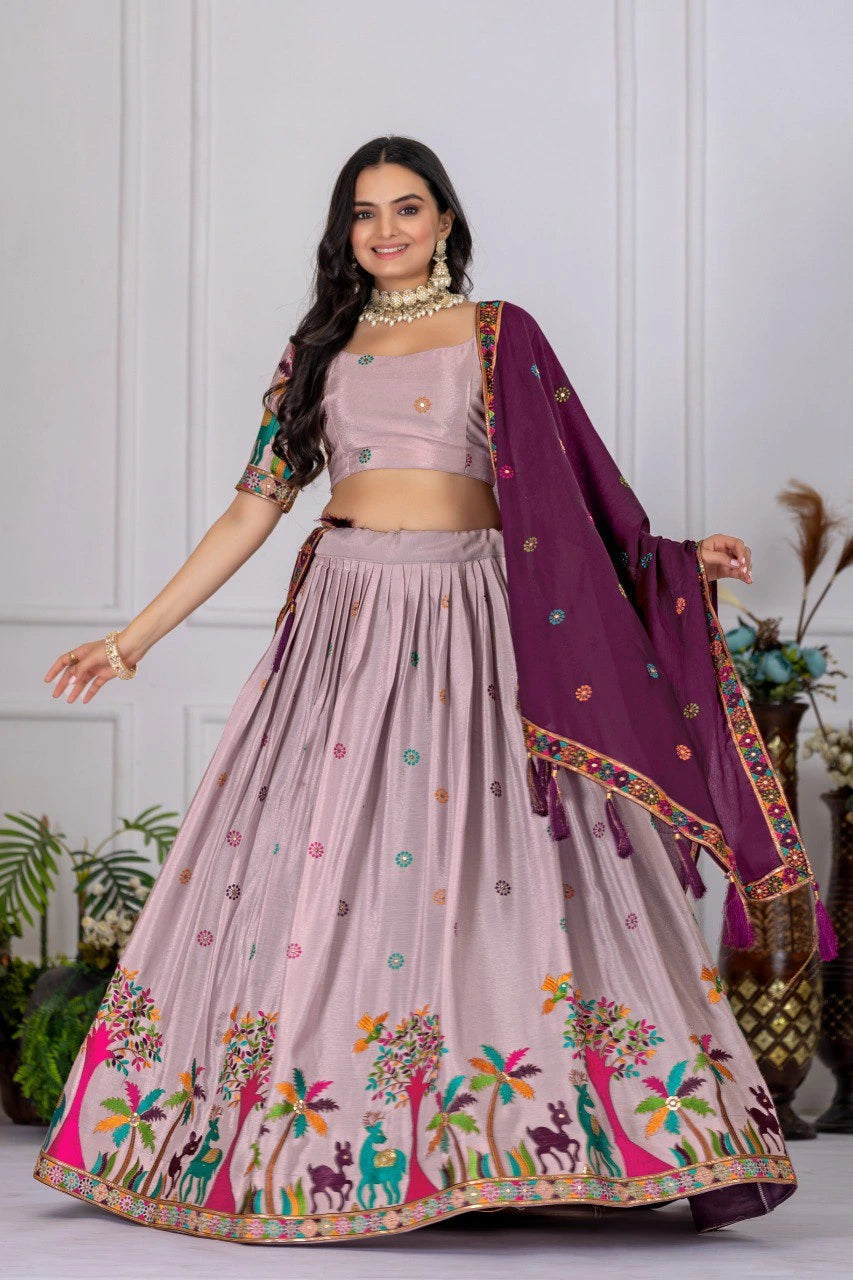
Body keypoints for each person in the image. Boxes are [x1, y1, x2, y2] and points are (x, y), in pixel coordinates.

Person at [33, 135, 807, 1246]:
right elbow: (255, 506)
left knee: (506, 878)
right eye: (364, 212)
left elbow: (582, 497)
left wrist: (673, 562)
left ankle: (534, 1140)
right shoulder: (316, 352)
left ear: (445, 220)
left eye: (408, 207)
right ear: (344, 232)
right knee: (323, 881)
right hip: (345, 629)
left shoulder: (501, 336)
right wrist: (135, 636)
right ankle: (318, 1133)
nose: (385, 229)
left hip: (477, 631)